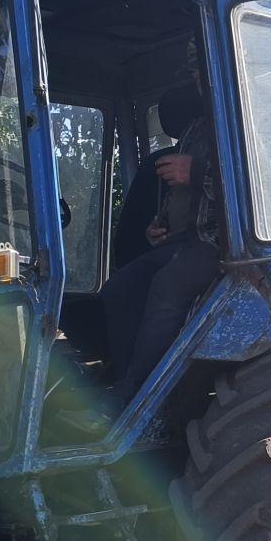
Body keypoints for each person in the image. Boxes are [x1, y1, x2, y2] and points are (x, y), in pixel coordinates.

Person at [101, 83, 223, 404]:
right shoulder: (197, 127)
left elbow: (268, 190)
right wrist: (161, 224)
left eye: (201, 66)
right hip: (187, 239)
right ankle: (126, 378)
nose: (198, 78)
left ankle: (140, 397)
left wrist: (196, 172)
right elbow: (179, 192)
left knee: (167, 286)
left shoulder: (261, 120)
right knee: (120, 288)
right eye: (194, 70)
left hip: (230, 244)